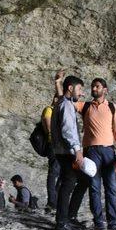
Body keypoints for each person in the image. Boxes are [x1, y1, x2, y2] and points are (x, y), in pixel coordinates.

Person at [63, 77, 116, 230]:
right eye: (92, 86)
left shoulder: (112, 107)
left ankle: (113, 222)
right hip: (91, 152)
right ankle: (98, 221)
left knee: (111, 187)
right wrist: (60, 85)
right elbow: (64, 101)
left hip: (108, 151)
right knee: (94, 187)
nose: (94, 89)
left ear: (105, 90)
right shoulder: (84, 106)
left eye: (97, 86)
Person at [51, 75, 85, 230]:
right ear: (70, 88)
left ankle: (65, 219)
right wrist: (77, 149)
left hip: (61, 150)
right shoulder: (66, 105)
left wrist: (57, 83)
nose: (82, 93)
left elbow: (60, 95)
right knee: (68, 185)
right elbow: (68, 130)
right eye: (79, 89)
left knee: (69, 183)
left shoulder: (62, 102)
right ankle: (62, 222)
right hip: (67, 151)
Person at [42, 72, 63, 213]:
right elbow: (49, 128)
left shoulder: (57, 111)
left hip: (61, 146)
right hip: (54, 145)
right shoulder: (49, 110)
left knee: (62, 174)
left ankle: (55, 201)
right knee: (54, 173)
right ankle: (51, 202)